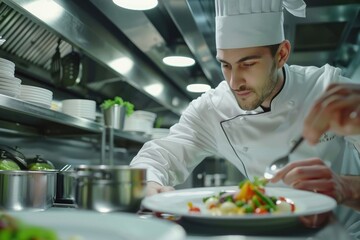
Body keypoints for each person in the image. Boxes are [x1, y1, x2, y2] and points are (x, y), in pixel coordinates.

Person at [130, 0, 360, 238]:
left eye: (248, 64)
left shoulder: (327, 88)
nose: (234, 82)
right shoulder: (213, 108)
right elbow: (159, 156)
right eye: (226, 65)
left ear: (281, 54)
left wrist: (347, 188)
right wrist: (147, 184)